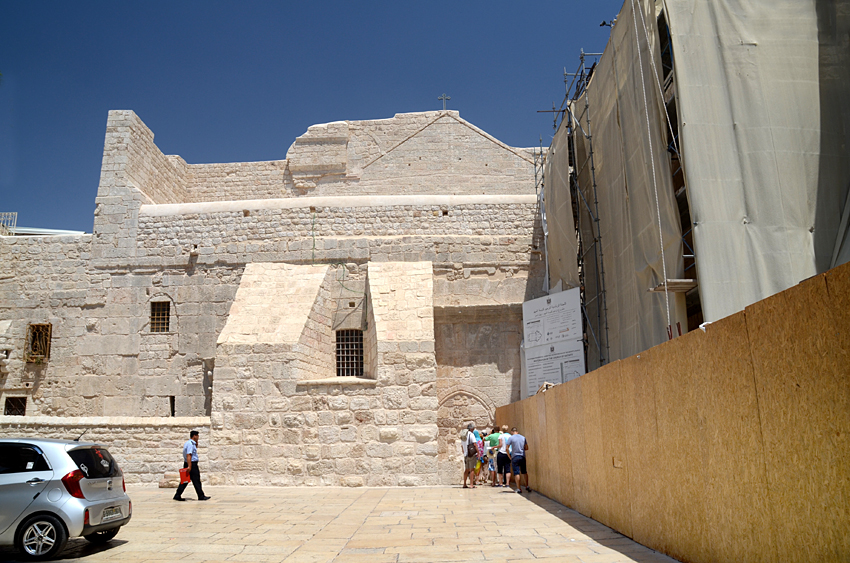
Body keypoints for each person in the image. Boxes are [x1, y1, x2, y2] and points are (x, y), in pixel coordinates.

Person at [174, 430, 211, 501]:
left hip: (188, 463)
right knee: (196, 480)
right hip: (192, 464)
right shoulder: (190, 444)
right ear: (194, 436)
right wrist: (189, 466)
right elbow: (189, 455)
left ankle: (177, 495)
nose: (198, 437)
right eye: (197, 436)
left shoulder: (188, 443)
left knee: (185, 481)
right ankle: (201, 496)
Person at [506, 426, 530, 494]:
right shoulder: (523, 437)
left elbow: (507, 448)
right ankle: (527, 485)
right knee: (524, 472)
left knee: (516, 473)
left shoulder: (511, 438)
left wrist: (509, 456)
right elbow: (526, 447)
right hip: (522, 456)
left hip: (515, 456)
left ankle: (519, 488)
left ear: (512, 432)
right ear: (517, 432)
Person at [459, 422, 478, 488]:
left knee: (466, 469)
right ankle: (471, 484)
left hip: (466, 454)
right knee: (472, 469)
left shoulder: (463, 435)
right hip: (471, 454)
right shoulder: (471, 434)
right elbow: (475, 444)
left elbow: (462, 446)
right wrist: (478, 452)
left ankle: (464, 484)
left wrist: (464, 452)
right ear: (472, 429)